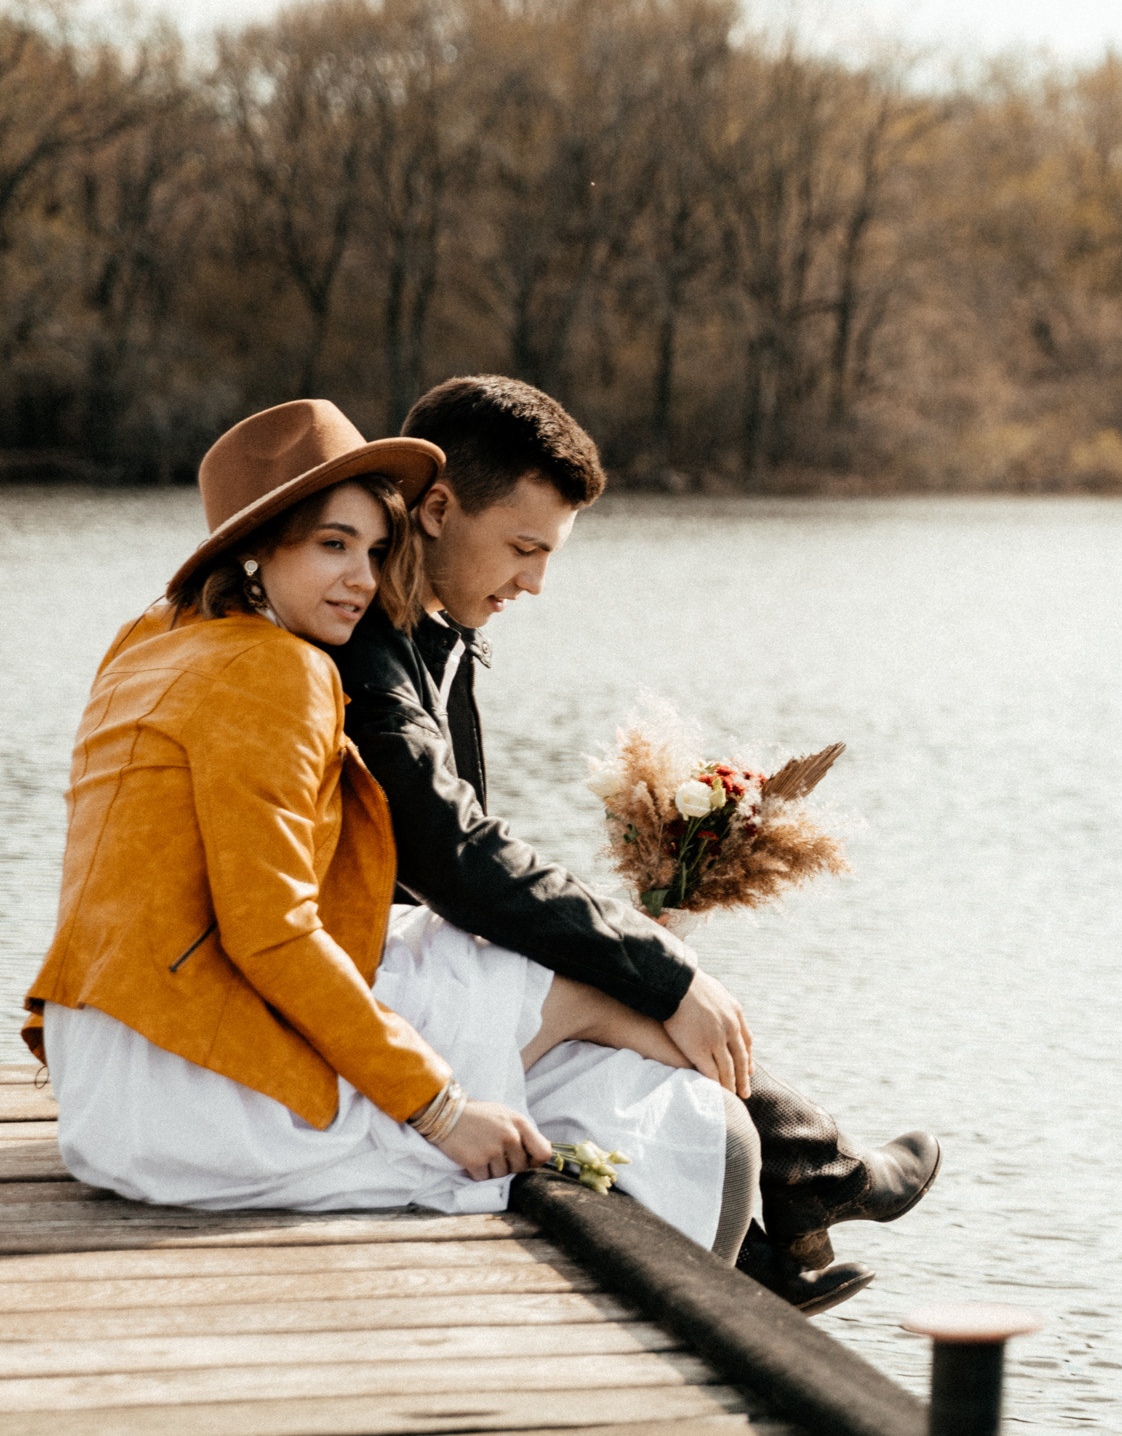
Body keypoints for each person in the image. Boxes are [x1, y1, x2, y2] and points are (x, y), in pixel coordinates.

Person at [25, 401, 755, 1257]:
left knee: (524, 982)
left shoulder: (149, 642)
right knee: (579, 996)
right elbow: (273, 935)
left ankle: (750, 1157)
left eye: (375, 550)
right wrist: (442, 1110)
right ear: (254, 548)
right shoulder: (278, 670)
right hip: (195, 1096)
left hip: (107, 1068)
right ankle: (746, 1181)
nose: (364, 580)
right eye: (332, 545)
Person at [325, 375, 936, 1312]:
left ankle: (777, 1221)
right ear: (438, 510)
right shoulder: (364, 644)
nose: (536, 581)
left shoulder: (425, 630)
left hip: (398, 958)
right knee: (648, 991)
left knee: (628, 1007)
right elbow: (450, 853)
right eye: (524, 548)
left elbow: (459, 847)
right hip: (355, 988)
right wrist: (657, 965)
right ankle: (811, 1176)